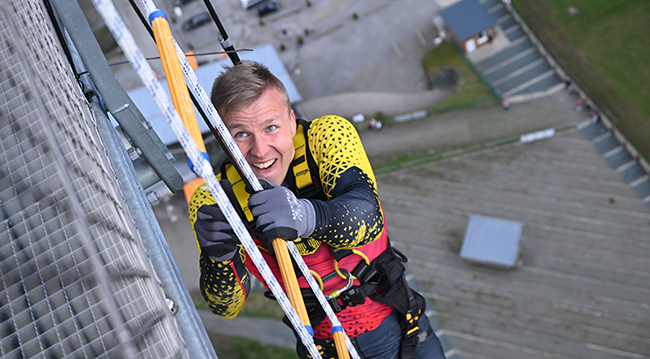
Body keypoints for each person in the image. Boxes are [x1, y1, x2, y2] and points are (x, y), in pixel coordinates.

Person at [190, 61, 445, 359]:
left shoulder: (326, 137)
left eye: (271, 127)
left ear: (292, 121)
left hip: (402, 329)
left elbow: (368, 217)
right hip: (325, 349)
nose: (260, 150)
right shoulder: (214, 201)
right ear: (223, 138)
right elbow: (226, 307)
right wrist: (217, 260)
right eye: (241, 134)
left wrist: (306, 216)